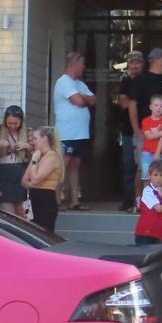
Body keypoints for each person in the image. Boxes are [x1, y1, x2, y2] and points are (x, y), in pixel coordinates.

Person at [54, 51, 95, 210]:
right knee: (63, 165)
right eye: (82, 63)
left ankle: (74, 201)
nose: (84, 67)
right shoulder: (63, 82)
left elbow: (94, 99)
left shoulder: (80, 84)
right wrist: (84, 98)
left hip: (81, 133)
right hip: (67, 133)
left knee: (75, 165)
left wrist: (83, 98)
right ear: (74, 64)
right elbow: (79, 101)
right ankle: (56, 199)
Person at [116, 51, 144, 212]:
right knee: (128, 166)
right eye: (131, 63)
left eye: (137, 63)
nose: (134, 66)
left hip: (146, 130)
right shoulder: (124, 81)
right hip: (127, 131)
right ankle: (129, 199)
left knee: (143, 167)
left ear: (142, 64)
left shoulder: (145, 80)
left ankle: (142, 200)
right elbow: (124, 103)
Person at [21, 126, 62, 233]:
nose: (33, 142)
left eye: (35, 138)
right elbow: (24, 180)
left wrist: (34, 161)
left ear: (44, 138)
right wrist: (34, 160)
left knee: (45, 231)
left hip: (46, 199)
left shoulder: (52, 157)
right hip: (34, 197)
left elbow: (35, 179)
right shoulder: (37, 155)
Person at [0, 105, 30, 217]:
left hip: (21, 173)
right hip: (5, 175)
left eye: (16, 124)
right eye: (10, 123)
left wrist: (28, 146)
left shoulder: (28, 133)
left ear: (21, 122)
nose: (13, 126)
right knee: (7, 213)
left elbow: (38, 153)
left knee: (22, 213)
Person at [134, 159, 162, 245]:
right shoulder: (147, 191)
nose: (159, 178)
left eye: (161, 175)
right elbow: (159, 209)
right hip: (145, 232)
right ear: (150, 176)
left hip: (160, 232)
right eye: (155, 175)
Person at [139, 94, 162, 193]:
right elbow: (149, 136)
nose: (158, 108)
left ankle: (160, 200)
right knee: (146, 177)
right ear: (150, 107)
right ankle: (146, 200)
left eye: (161, 106)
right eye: (156, 105)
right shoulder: (146, 121)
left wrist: (158, 133)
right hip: (147, 153)